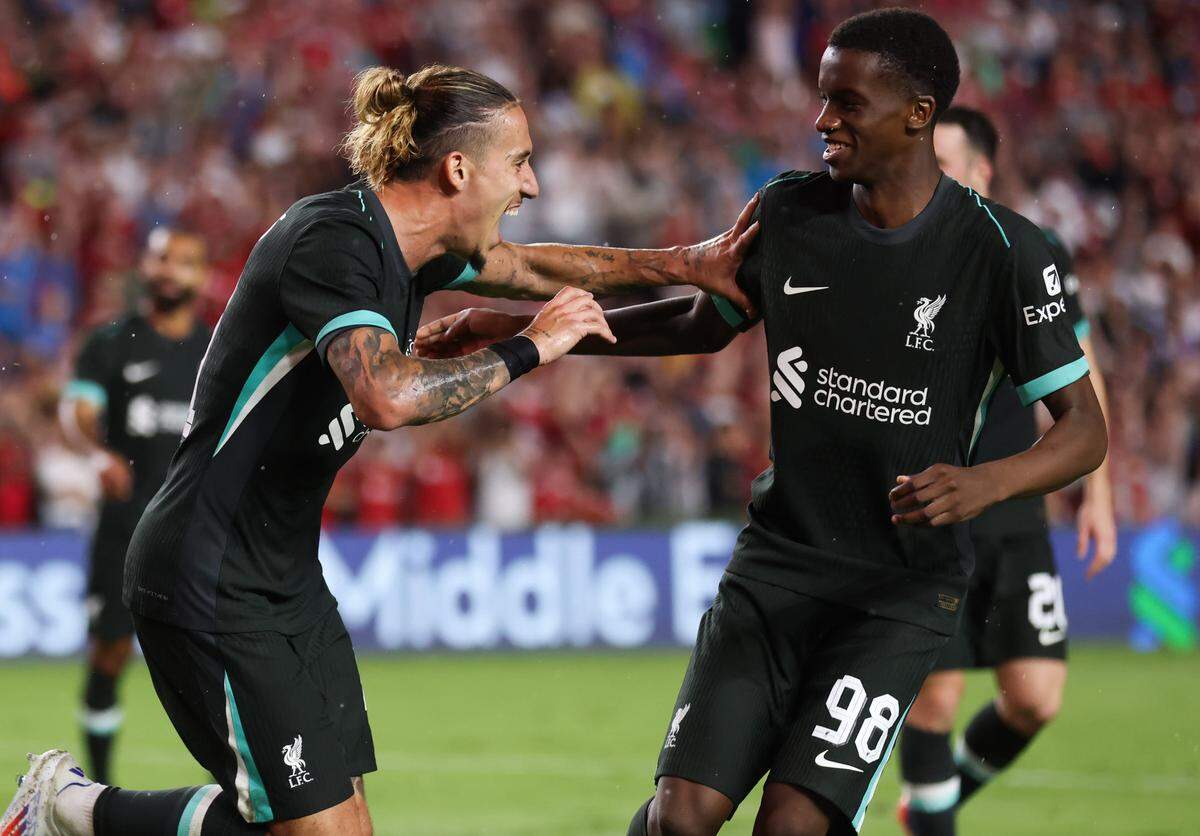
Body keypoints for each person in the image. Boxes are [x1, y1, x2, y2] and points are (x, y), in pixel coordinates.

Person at [2, 63, 755, 836]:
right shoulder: (333, 240)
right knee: (307, 831)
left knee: (342, 826)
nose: (529, 187)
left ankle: (72, 811)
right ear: (459, 168)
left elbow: (531, 266)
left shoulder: (417, 253)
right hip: (208, 571)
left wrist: (687, 263)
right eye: (521, 163)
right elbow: (387, 396)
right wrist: (535, 347)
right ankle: (69, 809)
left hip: (285, 576)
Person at [414, 10, 1108, 835]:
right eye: (822, 99)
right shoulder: (789, 212)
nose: (823, 121)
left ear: (918, 114)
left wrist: (984, 482)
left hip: (899, 589)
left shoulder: (1004, 252)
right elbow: (700, 324)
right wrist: (531, 331)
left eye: (847, 103)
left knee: (792, 825)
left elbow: (1083, 429)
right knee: (679, 820)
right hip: (778, 566)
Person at [891, 106, 1117, 836]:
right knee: (935, 699)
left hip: (1015, 500)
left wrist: (1098, 493)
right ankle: (931, 821)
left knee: (1036, 696)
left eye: (946, 165)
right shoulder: (901, 250)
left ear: (982, 173)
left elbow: (1081, 375)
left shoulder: (1032, 251)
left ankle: (931, 804)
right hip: (931, 506)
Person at [60, 227, 213, 785]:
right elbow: (77, 411)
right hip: (125, 527)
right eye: (161, 258)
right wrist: (94, 453)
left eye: (185, 261)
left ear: (202, 275)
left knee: (219, 662)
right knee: (110, 653)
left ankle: (244, 786)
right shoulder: (110, 342)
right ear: (144, 269)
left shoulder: (215, 351)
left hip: (196, 532)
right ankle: (95, 791)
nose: (171, 269)